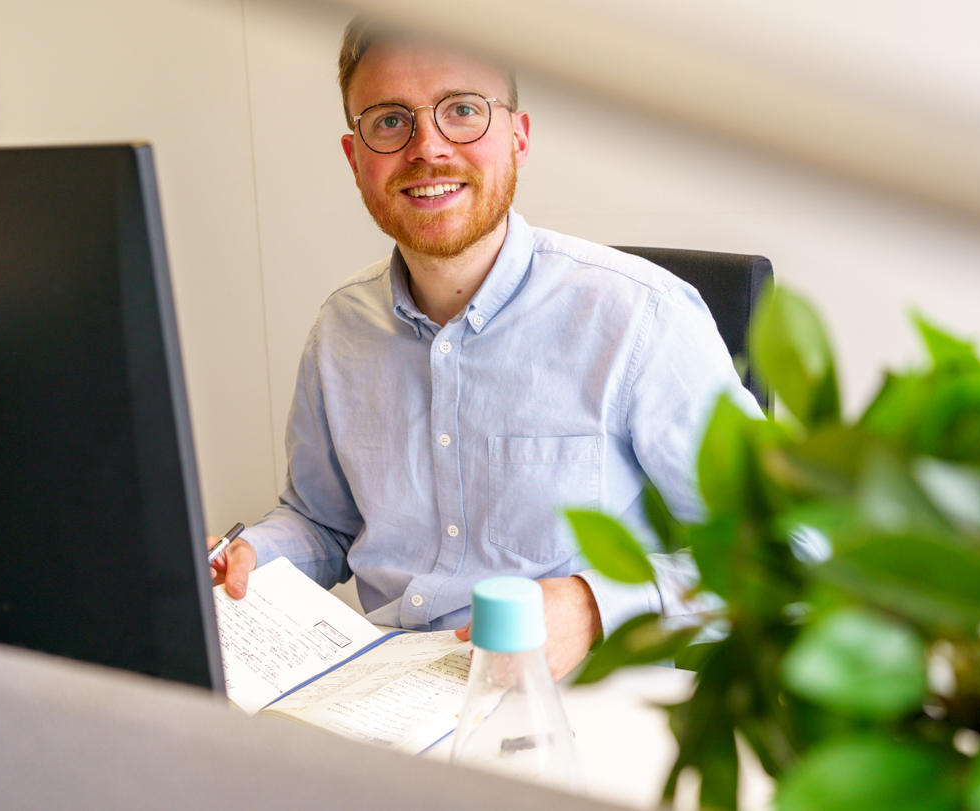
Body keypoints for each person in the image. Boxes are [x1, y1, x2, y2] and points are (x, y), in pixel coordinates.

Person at [210, 18, 758, 680]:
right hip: (388, 690)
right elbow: (322, 522)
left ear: (518, 136)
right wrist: (250, 557)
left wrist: (595, 605)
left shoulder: (641, 316)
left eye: (463, 110)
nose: (428, 149)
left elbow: (787, 547)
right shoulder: (340, 328)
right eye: (390, 121)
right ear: (356, 160)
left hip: (576, 702)